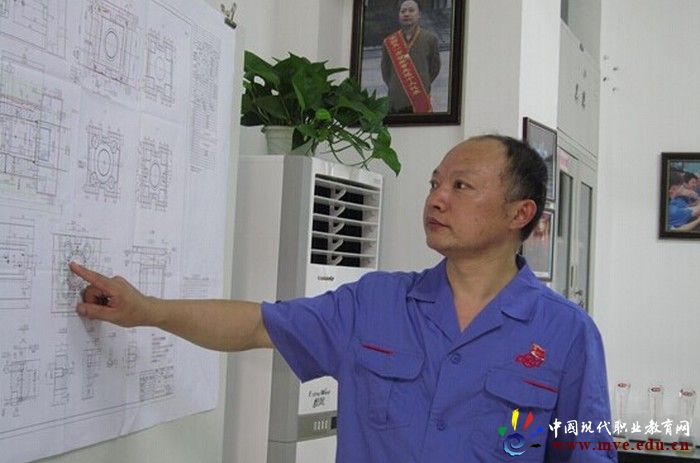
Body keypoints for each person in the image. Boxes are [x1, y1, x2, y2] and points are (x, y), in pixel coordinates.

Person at [69, 135, 616, 462]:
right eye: (434, 183)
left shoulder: (568, 334)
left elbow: (587, 452)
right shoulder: (375, 304)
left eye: (461, 186)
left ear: (520, 213)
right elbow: (257, 325)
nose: (436, 199)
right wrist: (149, 311)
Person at [380, 0, 440, 114]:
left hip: (420, 99)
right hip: (395, 102)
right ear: (399, 15)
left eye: (411, 10)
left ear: (419, 14)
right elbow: (386, 72)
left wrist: (420, 83)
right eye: (403, 11)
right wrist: (399, 85)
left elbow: (434, 68)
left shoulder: (430, 39)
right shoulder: (388, 42)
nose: (407, 14)